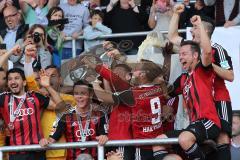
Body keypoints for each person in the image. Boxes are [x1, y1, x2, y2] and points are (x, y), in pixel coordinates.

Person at [168, 4, 234, 160]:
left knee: (222, 137)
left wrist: (208, 65)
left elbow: (230, 76)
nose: (191, 30)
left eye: (195, 27)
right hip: (202, 99)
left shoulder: (217, 49)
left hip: (219, 98)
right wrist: (176, 14)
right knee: (203, 139)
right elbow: (172, 37)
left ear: (204, 30)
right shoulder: (192, 47)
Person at [153, 15, 221, 160]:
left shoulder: (202, 69)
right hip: (192, 126)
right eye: (180, 54)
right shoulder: (183, 78)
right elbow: (166, 95)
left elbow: (207, 51)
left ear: (195, 55)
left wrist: (199, 25)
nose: (180, 57)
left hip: (209, 122)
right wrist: (160, 82)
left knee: (184, 139)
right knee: (158, 141)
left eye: (184, 54)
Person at [92, 59, 170, 160]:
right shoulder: (157, 90)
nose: (132, 72)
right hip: (154, 142)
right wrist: (106, 79)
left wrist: (94, 83)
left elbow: (105, 97)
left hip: (133, 142)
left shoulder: (133, 93)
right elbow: (110, 95)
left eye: (135, 70)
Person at [0, 68, 65, 160]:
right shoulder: (3, 99)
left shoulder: (35, 96)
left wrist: (47, 86)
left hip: (37, 150)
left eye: (16, 78)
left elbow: (61, 107)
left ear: (24, 82)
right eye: (10, 79)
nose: (13, 81)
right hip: (16, 153)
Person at [39, 80, 108, 160]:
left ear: (91, 94)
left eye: (83, 93)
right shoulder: (66, 116)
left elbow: (105, 135)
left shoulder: (100, 114)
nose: (79, 97)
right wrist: (44, 141)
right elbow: (52, 138)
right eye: (76, 93)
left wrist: (105, 137)